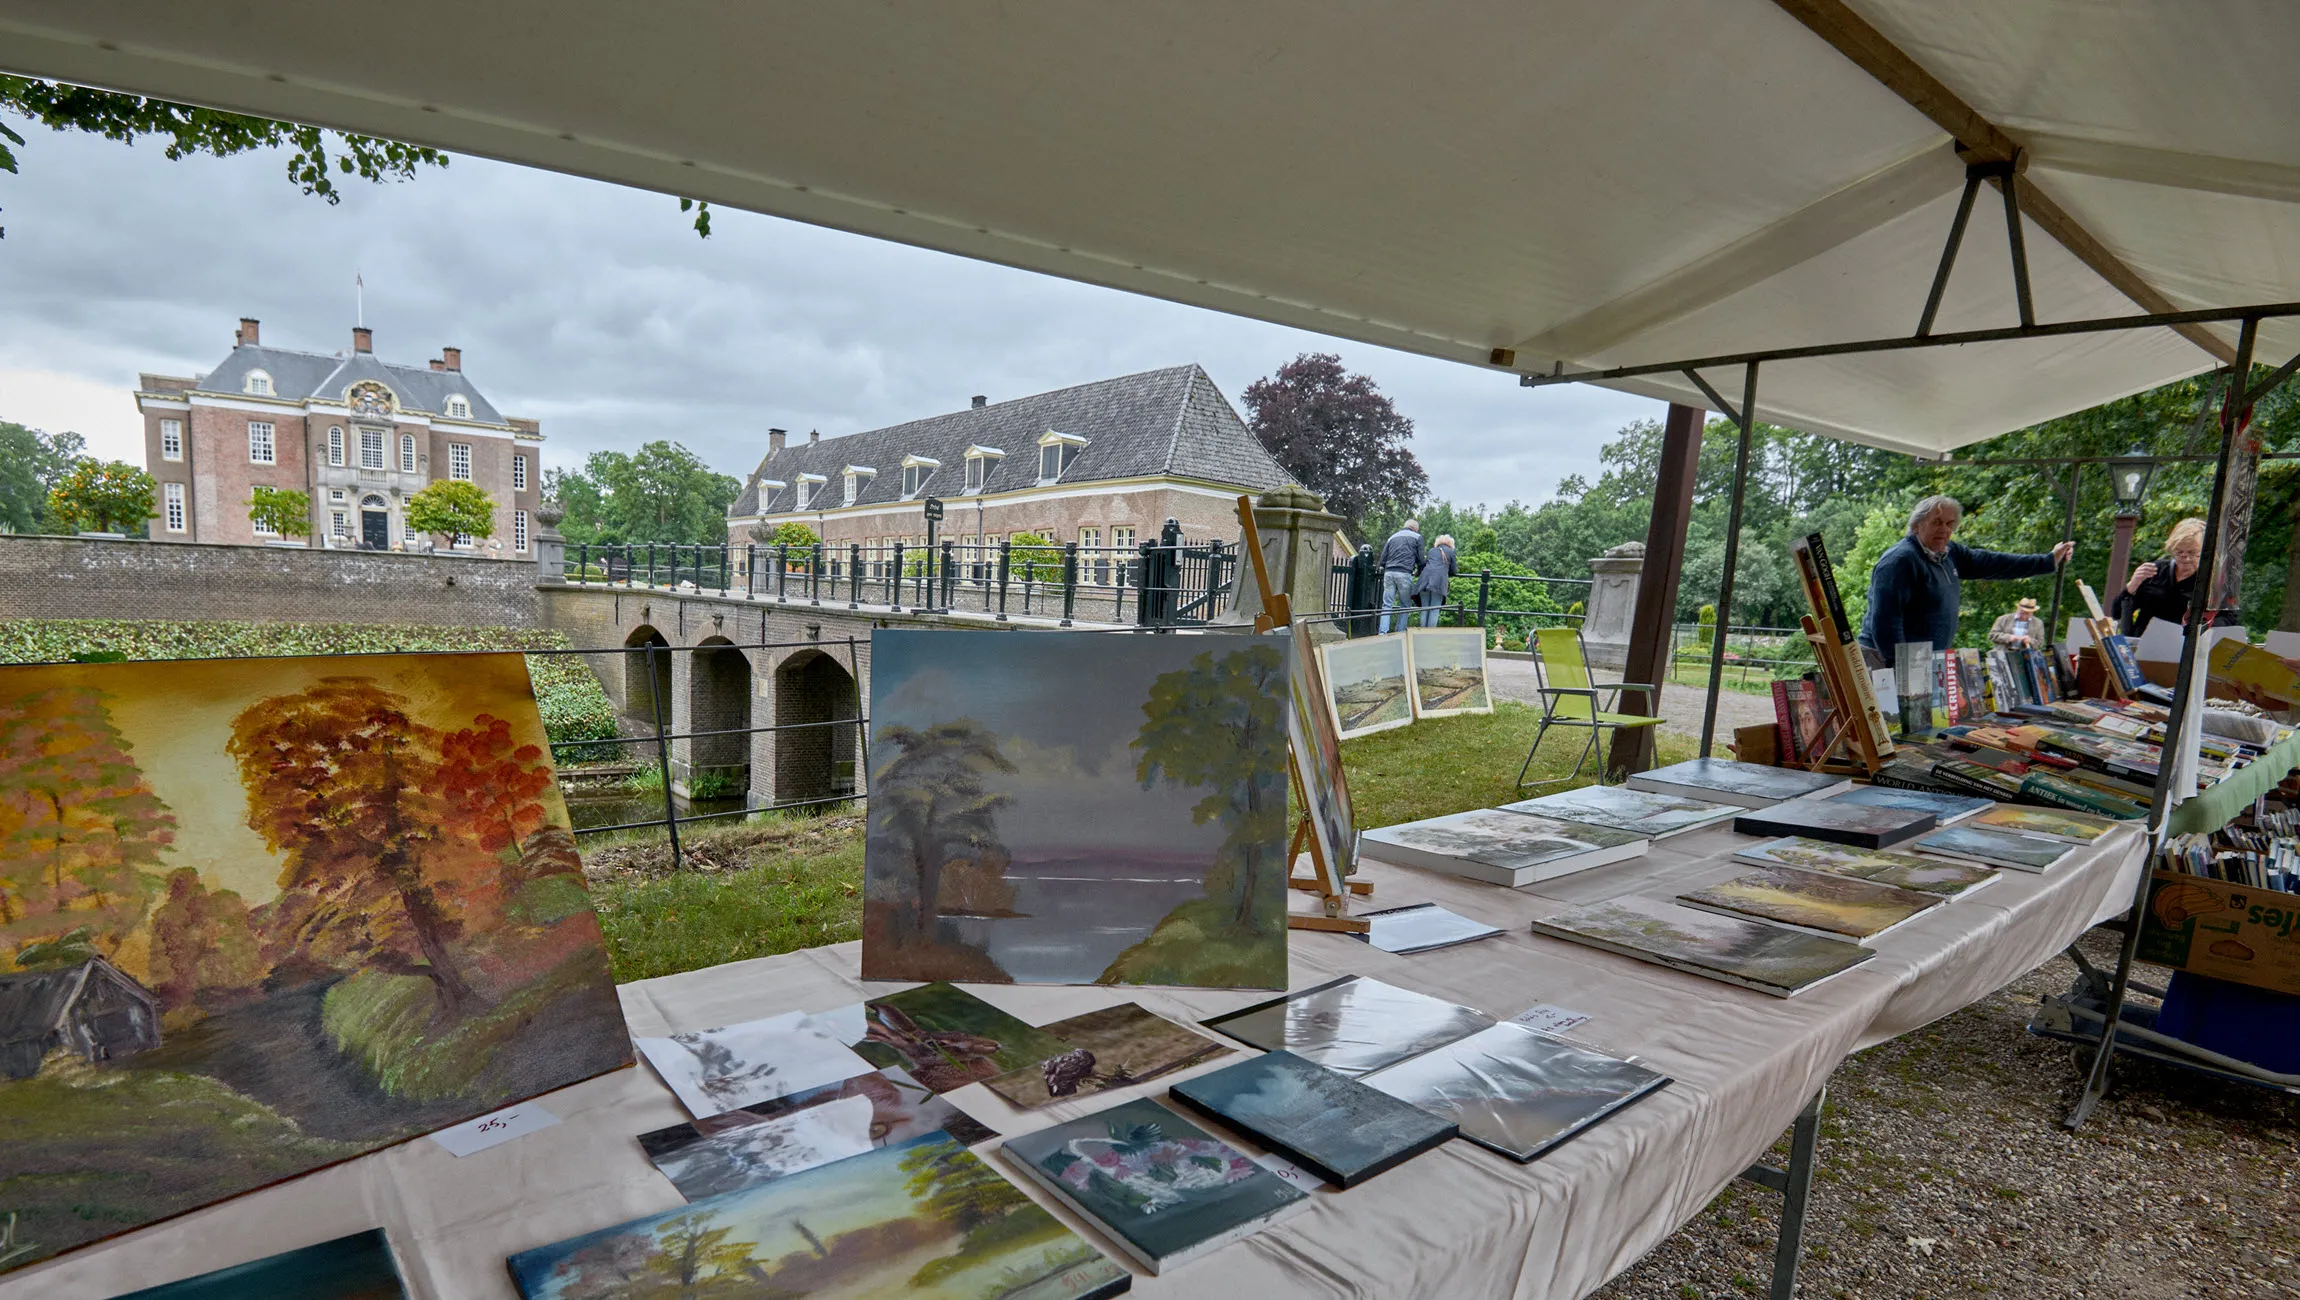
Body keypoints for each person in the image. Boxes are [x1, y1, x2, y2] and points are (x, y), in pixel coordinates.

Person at [1857, 495, 2074, 668]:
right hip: (1885, 662)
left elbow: (1994, 563)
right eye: (1937, 522)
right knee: (1887, 723)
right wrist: (1901, 669)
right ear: (1916, 525)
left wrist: (2048, 561)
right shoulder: (1900, 561)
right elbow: (1885, 623)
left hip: (1922, 660)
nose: (1944, 530)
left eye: (1950, 524)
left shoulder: (1949, 553)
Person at [2113, 516, 2205, 636]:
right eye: (2179, 552)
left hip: (2183, 646)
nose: (2185, 558)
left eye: (2192, 553)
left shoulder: (2208, 580)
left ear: (2203, 552)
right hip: (2143, 643)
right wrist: (2132, 585)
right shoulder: (2155, 571)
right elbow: (2117, 613)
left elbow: (2225, 621)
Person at [1377, 519, 1424, 634]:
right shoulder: (1417, 537)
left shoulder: (1392, 537)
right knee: (1404, 605)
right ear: (1415, 529)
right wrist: (1419, 571)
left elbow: (1383, 559)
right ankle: (1400, 633)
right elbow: (1421, 559)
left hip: (1389, 572)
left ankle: (1382, 633)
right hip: (1404, 573)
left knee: (1387, 604)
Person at [1414, 533, 1458, 627]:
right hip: (1439, 583)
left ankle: (1421, 634)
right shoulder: (1451, 552)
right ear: (1451, 544)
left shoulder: (1432, 551)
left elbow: (1426, 564)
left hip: (1424, 581)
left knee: (1424, 609)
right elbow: (1454, 570)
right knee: (1434, 610)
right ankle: (1429, 636)